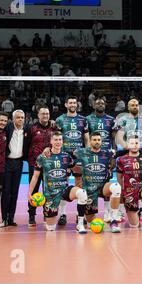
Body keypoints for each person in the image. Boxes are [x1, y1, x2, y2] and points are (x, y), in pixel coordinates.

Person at [28, 132, 89, 233]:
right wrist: (29, 193)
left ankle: (80, 224)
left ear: (62, 141)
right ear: (51, 141)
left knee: (82, 194)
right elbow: (35, 176)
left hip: (64, 190)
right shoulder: (42, 157)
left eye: (60, 140)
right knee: (51, 228)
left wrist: (87, 166)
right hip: (50, 194)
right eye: (55, 140)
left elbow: (76, 169)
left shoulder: (66, 157)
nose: (58, 142)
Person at [74, 132, 120, 232]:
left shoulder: (107, 152)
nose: (97, 142)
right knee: (91, 222)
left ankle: (114, 220)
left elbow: (123, 152)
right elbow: (67, 154)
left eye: (99, 140)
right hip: (89, 189)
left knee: (116, 187)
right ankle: (83, 218)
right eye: (94, 140)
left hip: (103, 187)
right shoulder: (81, 152)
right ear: (90, 141)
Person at [55, 96, 89, 225]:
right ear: (65, 104)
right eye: (70, 102)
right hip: (64, 156)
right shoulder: (60, 120)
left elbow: (86, 138)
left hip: (79, 156)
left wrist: (86, 153)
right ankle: (63, 214)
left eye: (74, 102)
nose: (73, 104)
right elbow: (56, 138)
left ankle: (78, 214)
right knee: (63, 185)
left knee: (79, 184)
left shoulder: (83, 120)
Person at [23, 105, 55, 226]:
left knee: (47, 191)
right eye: (43, 114)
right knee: (34, 189)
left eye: (47, 113)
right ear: (38, 115)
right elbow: (25, 146)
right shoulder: (31, 128)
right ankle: (32, 215)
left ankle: (47, 214)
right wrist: (30, 160)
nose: (45, 116)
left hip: (50, 166)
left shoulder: (54, 128)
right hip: (34, 164)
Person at [116, 136, 142, 232]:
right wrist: (124, 190)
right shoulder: (121, 160)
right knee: (134, 226)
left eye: (136, 143)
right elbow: (119, 177)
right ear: (128, 145)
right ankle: (136, 212)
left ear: (140, 145)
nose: (134, 145)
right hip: (129, 192)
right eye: (132, 143)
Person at [0, 110, 25, 227]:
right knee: (6, 192)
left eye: (22, 117)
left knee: (15, 192)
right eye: (18, 117)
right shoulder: (7, 128)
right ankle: (4, 218)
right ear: (13, 119)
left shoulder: (26, 129)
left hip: (19, 163)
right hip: (7, 163)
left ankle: (11, 218)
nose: (20, 119)